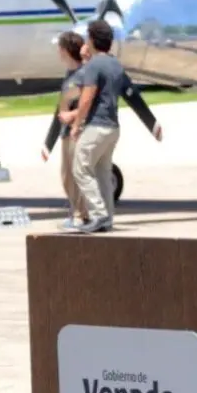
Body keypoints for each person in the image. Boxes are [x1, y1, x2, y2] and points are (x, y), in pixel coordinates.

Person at [67, 19, 127, 234]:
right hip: (113, 127)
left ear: (92, 40)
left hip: (96, 125)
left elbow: (87, 97)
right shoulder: (115, 63)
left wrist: (76, 124)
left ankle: (98, 214)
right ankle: (107, 219)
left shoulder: (94, 65)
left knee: (81, 168)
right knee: (102, 173)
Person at [40, 31, 91, 229]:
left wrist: (74, 121)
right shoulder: (70, 75)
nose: (58, 52)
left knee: (75, 175)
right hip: (66, 132)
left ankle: (81, 215)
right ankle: (77, 212)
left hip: (77, 132)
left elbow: (87, 104)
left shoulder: (83, 75)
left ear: (65, 51)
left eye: (60, 48)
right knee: (66, 176)